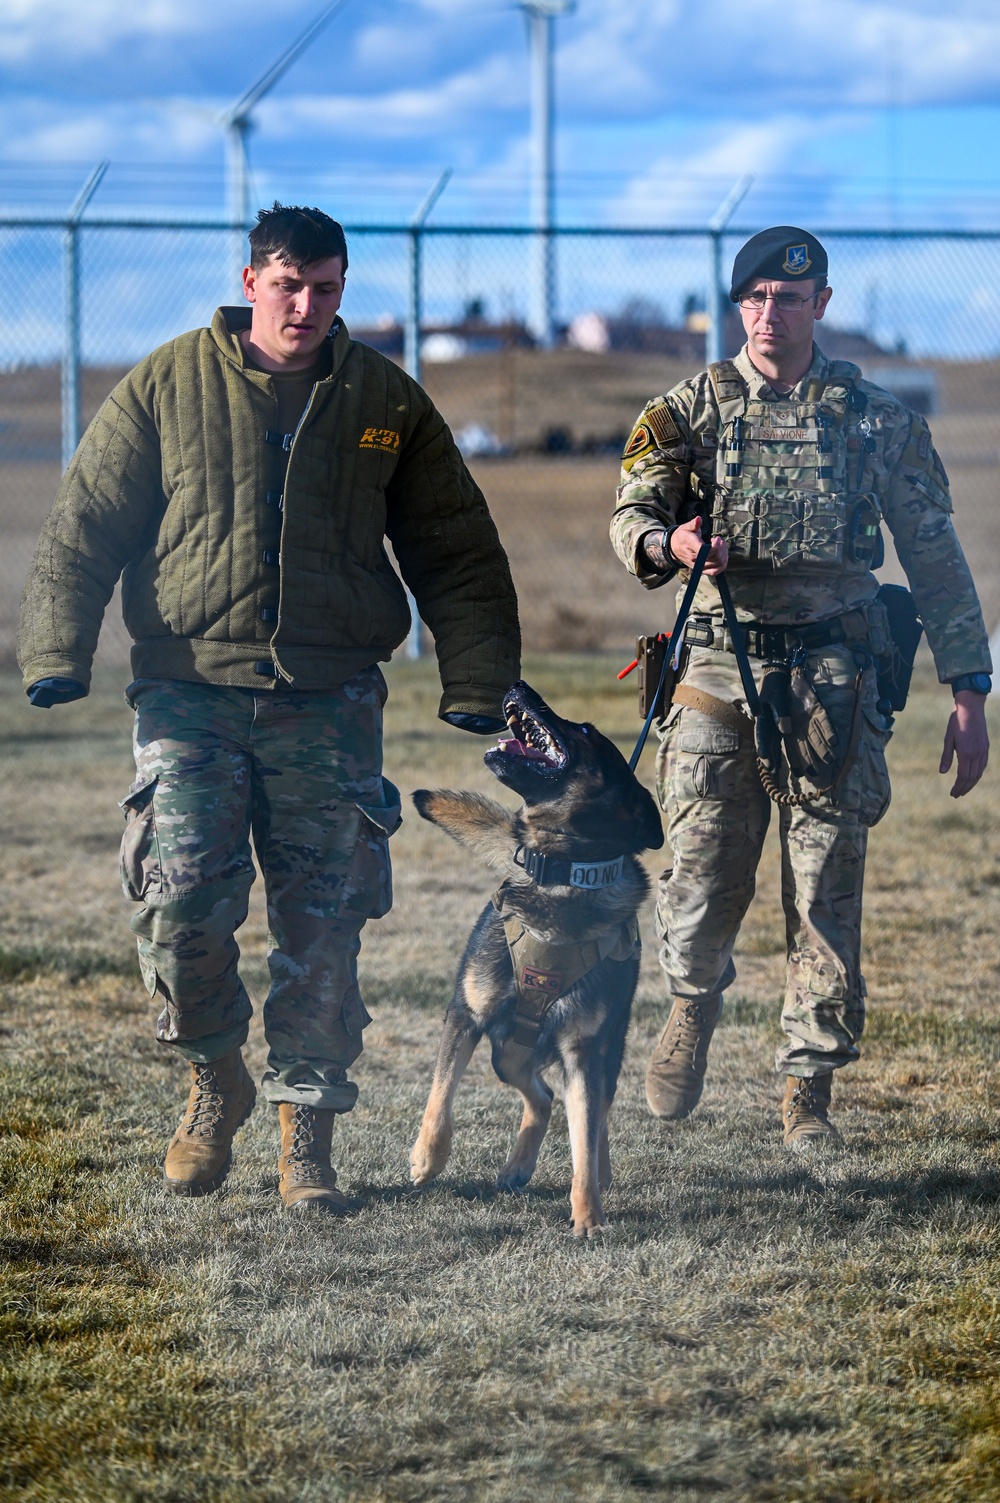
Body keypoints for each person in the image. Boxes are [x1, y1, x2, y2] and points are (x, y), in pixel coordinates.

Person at [18, 202, 520, 1212]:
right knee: (180, 905)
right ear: (251, 281)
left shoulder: (383, 400)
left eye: (325, 289)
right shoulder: (166, 383)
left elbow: (453, 546)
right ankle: (216, 1076)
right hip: (188, 693)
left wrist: (475, 681)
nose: (305, 306)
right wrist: (56, 651)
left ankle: (307, 1139)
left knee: (325, 924)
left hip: (328, 703)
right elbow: (87, 523)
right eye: (287, 286)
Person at [611, 226, 990, 1148]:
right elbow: (630, 517)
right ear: (737, 306)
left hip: (838, 678)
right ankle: (692, 1007)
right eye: (755, 299)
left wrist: (969, 685)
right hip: (714, 668)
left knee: (824, 888)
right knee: (701, 875)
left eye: (790, 297)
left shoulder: (875, 420)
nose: (771, 312)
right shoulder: (688, 407)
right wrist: (673, 543)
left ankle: (805, 1091)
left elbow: (934, 552)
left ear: (821, 303)